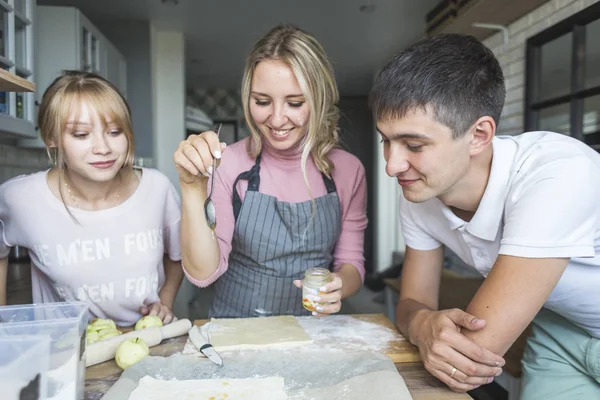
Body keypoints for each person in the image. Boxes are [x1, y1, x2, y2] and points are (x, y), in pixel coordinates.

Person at [369, 33, 600, 398]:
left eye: (413, 145)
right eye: (386, 140)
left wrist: (421, 324)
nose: (392, 165)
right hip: (561, 329)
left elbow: (474, 352)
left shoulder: (557, 172)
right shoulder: (420, 191)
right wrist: (422, 321)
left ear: (479, 134)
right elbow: (412, 303)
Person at [174, 25, 368, 318]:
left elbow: (351, 263)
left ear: (319, 99)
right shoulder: (229, 165)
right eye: (262, 102)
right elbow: (203, 273)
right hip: (237, 329)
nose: (277, 119)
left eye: (295, 102)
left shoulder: (348, 170)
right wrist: (191, 187)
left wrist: (338, 285)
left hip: (313, 332)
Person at [0, 71, 183, 327]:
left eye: (115, 131)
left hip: (145, 343)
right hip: (65, 352)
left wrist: (164, 302)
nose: (103, 148)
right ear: (51, 138)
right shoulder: (20, 198)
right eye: (81, 135)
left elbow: (177, 256)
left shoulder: (157, 188)